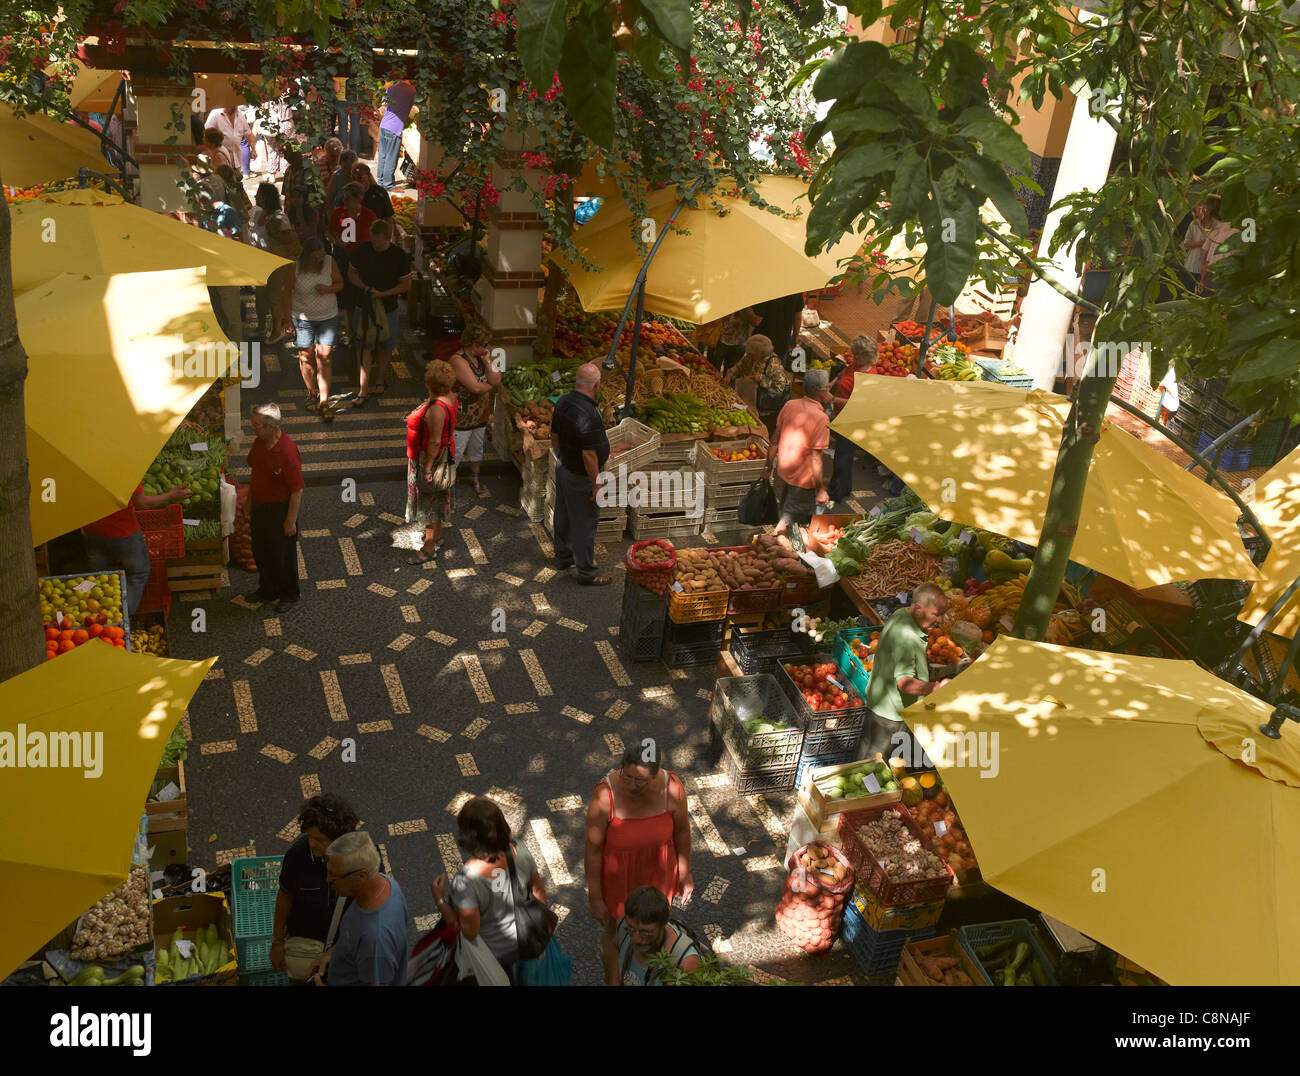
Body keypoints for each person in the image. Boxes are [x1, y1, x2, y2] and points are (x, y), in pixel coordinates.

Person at [430, 796, 548, 986]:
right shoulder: (521, 851)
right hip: (525, 946)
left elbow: (469, 932)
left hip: (492, 958)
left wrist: (440, 900)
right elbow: (539, 892)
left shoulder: (467, 880)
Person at [585, 745, 694, 946]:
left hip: (659, 879)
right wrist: (596, 898)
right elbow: (593, 850)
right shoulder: (604, 796)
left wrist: (685, 874)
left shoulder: (672, 788)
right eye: (627, 778)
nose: (632, 786)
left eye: (640, 780)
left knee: (654, 930)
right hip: (619, 883)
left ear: (655, 776)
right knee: (616, 934)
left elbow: (682, 832)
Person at [270, 793, 360, 984]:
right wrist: (277, 942)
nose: (312, 844)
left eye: (320, 840)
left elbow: (367, 908)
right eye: (309, 836)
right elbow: (285, 895)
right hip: (305, 947)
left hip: (343, 947)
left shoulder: (359, 860)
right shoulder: (298, 855)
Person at [857, 582, 950, 764]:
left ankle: (855, 790)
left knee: (864, 758)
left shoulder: (902, 614)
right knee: (874, 766)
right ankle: (865, 792)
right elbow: (905, 683)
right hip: (890, 715)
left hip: (878, 703)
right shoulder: (907, 638)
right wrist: (936, 687)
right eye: (936, 614)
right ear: (918, 608)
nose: (940, 620)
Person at [309, 831, 408, 986]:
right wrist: (333, 953)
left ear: (361, 876)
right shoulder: (386, 883)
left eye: (334, 876)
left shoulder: (375, 940)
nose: (328, 880)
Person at [81, 482, 190, 615]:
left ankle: (100, 622)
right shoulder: (122, 468)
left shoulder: (80, 469)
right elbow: (142, 503)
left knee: (100, 578)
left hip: (91, 530)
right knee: (137, 575)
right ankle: (122, 619)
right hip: (122, 531)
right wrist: (171, 495)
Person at [551, 362, 611, 585]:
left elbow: (554, 435)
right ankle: (587, 572)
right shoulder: (589, 414)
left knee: (563, 515)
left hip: (564, 468)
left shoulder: (563, 402)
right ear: (595, 386)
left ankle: (562, 558)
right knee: (585, 524)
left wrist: (562, 457)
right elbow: (589, 455)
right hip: (580, 476)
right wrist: (596, 485)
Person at [397, 359, 458, 564]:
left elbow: (433, 441)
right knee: (438, 498)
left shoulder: (437, 409)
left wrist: (428, 468)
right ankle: (438, 535)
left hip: (431, 460)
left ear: (428, 384)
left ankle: (429, 548)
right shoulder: (449, 398)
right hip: (443, 457)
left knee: (428, 504)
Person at [245, 404, 305, 612]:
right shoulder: (260, 443)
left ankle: (289, 595)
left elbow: (297, 491)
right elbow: (255, 474)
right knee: (261, 551)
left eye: (256, 425)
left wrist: (290, 521)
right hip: (260, 508)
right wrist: (249, 502)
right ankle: (267, 590)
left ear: (271, 426)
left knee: (283, 556)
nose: (253, 428)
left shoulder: (288, 452)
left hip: (280, 510)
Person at [761, 367, 833, 534]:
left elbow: (774, 441)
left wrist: (768, 467)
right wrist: (821, 488)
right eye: (828, 388)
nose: (829, 390)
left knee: (787, 509)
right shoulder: (821, 419)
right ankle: (774, 542)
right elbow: (815, 459)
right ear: (821, 391)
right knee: (788, 519)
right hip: (803, 479)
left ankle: (787, 544)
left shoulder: (790, 405)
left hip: (784, 471)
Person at [347, 219, 411, 405]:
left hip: (389, 307)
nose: (374, 243)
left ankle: (380, 379)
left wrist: (383, 294)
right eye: (372, 239)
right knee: (364, 346)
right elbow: (351, 273)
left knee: (386, 346)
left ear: (388, 238)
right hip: (364, 305)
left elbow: (406, 285)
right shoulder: (362, 250)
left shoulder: (399, 255)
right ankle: (363, 389)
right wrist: (365, 288)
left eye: (378, 240)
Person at [280, 238, 343, 419]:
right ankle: (311, 393)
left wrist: (328, 289)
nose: (319, 261)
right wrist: (287, 320)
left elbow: (340, 283)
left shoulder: (330, 262)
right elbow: (286, 292)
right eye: (315, 258)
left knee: (325, 357)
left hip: (328, 316)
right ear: (306, 256)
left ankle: (324, 401)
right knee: (306, 356)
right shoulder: (294, 267)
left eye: (321, 257)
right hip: (302, 318)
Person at [600, 885, 702, 986]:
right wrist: (613, 980)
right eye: (631, 929)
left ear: (663, 925)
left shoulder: (686, 962)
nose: (636, 939)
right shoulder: (622, 924)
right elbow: (613, 947)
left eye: (645, 932)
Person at [450, 325, 504, 498]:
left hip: (480, 414)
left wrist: (488, 361)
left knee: (477, 448)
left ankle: (475, 478)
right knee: (457, 451)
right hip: (462, 417)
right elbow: (475, 387)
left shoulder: (481, 357)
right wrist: (489, 386)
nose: (487, 348)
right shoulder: (458, 360)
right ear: (473, 344)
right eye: (484, 345)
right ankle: (447, 484)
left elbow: (496, 378)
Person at [827, 334, 876, 504]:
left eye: (858, 355)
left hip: (852, 422)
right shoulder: (856, 364)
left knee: (843, 457)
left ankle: (837, 492)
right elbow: (844, 372)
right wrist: (832, 383)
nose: (854, 358)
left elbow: (856, 404)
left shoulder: (869, 377)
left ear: (868, 355)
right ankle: (842, 487)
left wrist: (832, 399)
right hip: (841, 416)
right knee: (843, 455)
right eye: (854, 354)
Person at [251, 182, 301, 344]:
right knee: (260, 297)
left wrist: (273, 231)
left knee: (274, 297)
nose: (255, 196)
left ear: (265, 198)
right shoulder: (260, 213)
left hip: (275, 263)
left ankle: (276, 331)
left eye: (258, 194)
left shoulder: (279, 217)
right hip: (260, 262)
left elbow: (289, 238)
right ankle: (261, 327)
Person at [727, 333, 789, 437]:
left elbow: (780, 387)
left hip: (764, 407)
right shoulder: (750, 356)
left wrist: (762, 379)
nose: (748, 356)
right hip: (747, 398)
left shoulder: (773, 363)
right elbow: (739, 367)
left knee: (761, 429)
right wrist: (730, 374)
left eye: (751, 354)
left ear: (761, 353)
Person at [377, 79, 416, 189]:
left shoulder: (391, 88)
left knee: (383, 155)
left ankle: (380, 181)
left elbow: (383, 106)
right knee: (391, 157)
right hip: (395, 127)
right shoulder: (412, 92)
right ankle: (388, 185)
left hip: (384, 125)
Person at [204, 104, 253, 174]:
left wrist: (253, 149)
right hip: (220, 160)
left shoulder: (240, 114)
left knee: (235, 181)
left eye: (235, 104)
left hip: (236, 161)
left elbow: (247, 133)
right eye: (231, 104)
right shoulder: (215, 114)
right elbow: (208, 133)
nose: (234, 107)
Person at [715, 305, 762, 374]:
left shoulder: (750, 303)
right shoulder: (728, 299)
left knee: (730, 374)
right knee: (714, 370)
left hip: (740, 343)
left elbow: (755, 322)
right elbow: (716, 321)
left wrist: (746, 309)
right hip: (722, 339)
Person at [1179, 201, 1211, 292]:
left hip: (1206, 266)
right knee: (1187, 290)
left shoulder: (1214, 225)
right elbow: (1186, 244)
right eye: (1196, 212)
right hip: (1191, 265)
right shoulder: (1193, 224)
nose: (1198, 215)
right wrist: (1201, 243)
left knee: (1204, 292)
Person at [326, 149, 359, 213]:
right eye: (346, 168)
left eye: (351, 168)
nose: (349, 172)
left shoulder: (361, 174)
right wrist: (331, 217)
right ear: (340, 164)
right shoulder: (336, 176)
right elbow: (328, 200)